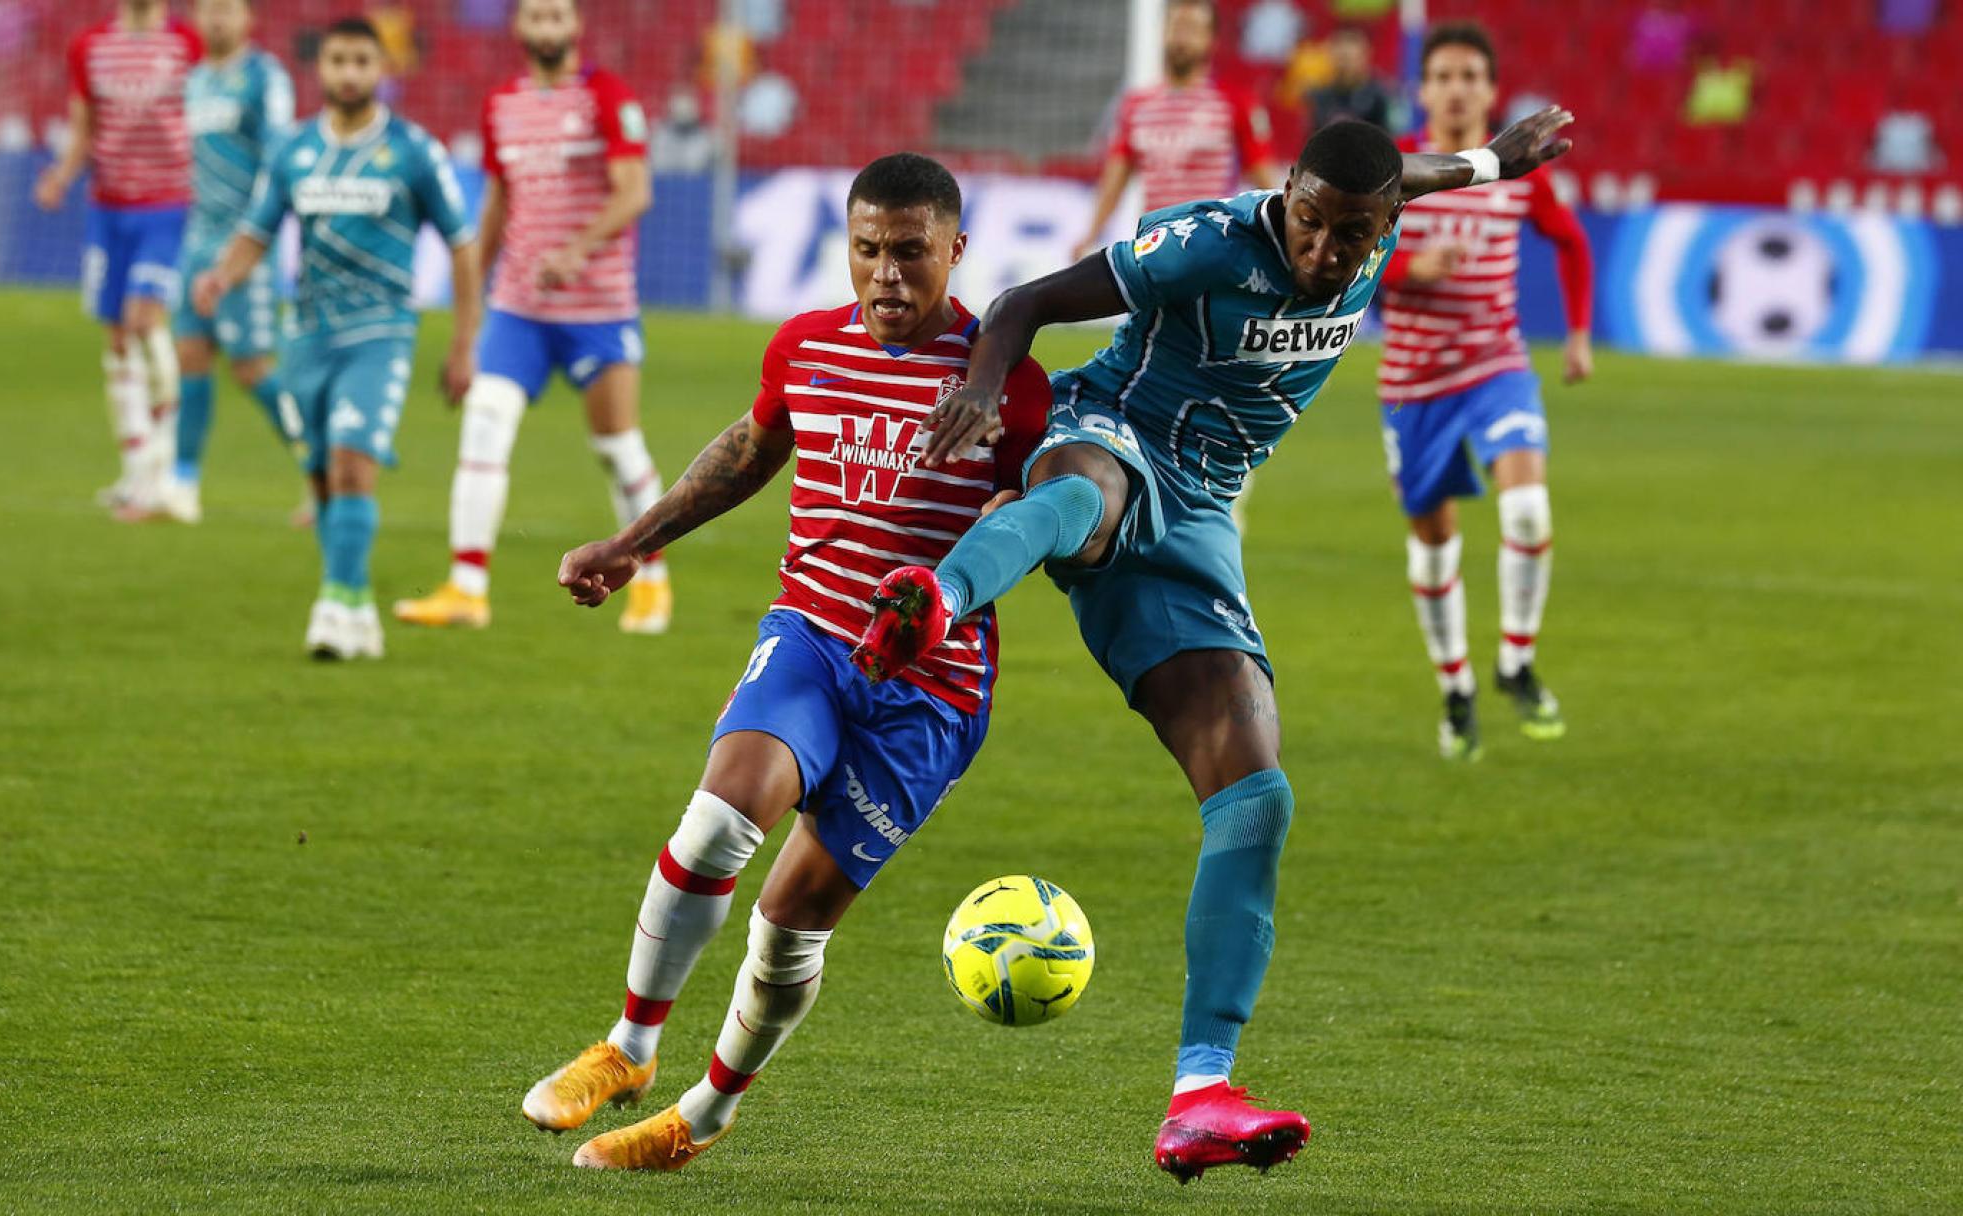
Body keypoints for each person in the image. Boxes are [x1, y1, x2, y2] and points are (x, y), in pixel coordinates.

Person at [852, 109, 1576, 1183]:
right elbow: (1025, 302)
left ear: (1383, 225)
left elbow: (1416, 173)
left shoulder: (1377, 208)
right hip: (1111, 434)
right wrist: (977, 387)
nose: (1326, 251)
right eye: (1313, 223)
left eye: (1353, 235)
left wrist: (1492, 163)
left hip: (1200, 520)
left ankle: (1199, 1093)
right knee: (1084, 494)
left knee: (1256, 794)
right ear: (1286, 192)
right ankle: (936, 598)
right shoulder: (1207, 243)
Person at [534, 153, 1051, 1170]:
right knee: (720, 817)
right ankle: (629, 1047)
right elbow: (751, 449)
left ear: (956, 249)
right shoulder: (806, 348)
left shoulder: (1009, 384)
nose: (887, 274)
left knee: (787, 924)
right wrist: (632, 542)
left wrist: (996, 521)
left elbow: (1038, 515)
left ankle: (700, 1117)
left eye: (911, 252)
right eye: (867, 251)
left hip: (931, 690)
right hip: (813, 635)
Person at [191, 17, 480, 660]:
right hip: (308, 338)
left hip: (379, 336)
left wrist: (464, 344)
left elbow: (463, 248)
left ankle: (333, 602)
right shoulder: (293, 152)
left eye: (361, 61)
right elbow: (256, 232)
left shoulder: (411, 150)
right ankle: (358, 613)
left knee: (354, 464)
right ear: (319, 70)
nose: (349, 72)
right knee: (321, 475)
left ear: (382, 71)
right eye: (338, 61)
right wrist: (220, 278)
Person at [394, 0, 673, 635]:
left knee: (615, 446)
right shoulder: (501, 105)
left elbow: (635, 190)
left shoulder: (605, 95)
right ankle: (467, 588)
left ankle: (652, 577)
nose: (547, 28)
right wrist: (465, 328)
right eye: (536, 17)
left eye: (557, 17)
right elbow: (496, 205)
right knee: (483, 429)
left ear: (575, 25)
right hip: (517, 308)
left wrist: (576, 249)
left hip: (597, 308)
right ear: (520, 27)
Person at [1376, 23, 1593, 759]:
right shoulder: (1396, 172)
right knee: (1435, 546)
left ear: (1491, 90)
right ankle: (1457, 685)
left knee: (1529, 507)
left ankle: (1515, 660)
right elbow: (1345, 271)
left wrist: (1579, 334)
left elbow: (1570, 239)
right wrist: (1409, 272)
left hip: (1497, 366)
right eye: (1444, 75)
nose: (1459, 87)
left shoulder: (1521, 168)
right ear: (1423, 89)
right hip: (1413, 383)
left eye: (1472, 75)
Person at [34, 0, 201, 519]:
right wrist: (62, 175)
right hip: (108, 210)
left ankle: (163, 470)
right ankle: (133, 471)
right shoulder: (89, 46)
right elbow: (85, 126)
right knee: (116, 336)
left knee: (145, 319)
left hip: (168, 204)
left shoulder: (186, 45)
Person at [146, 0, 295, 525]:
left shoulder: (264, 76)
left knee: (251, 367)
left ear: (248, 17)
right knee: (190, 355)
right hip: (197, 239)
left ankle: (321, 474)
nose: (217, 19)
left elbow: (278, 162)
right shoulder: (195, 80)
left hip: (245, 242)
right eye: (208, 9)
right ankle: (181, 485)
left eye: (227, 9)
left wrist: (249, 240)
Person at [1070, 0, 1280, 263]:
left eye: (1192, 29)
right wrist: (1091, 234)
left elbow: (1263, 175)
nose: (1182, 38)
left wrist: (1282, 232)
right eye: (1176, 27)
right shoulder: (1136, 106)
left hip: (1213, 246)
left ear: (1210, 40)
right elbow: (1116, 176)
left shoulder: (1235, 102)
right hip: (1155, 248)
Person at [1307, 27, 1394, 131]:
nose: (1345, 63)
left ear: (1366, 54)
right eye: (1341, 58)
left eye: (1349, 58)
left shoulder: (1380, 96)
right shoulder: (1320, 96)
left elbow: (1389, 140)